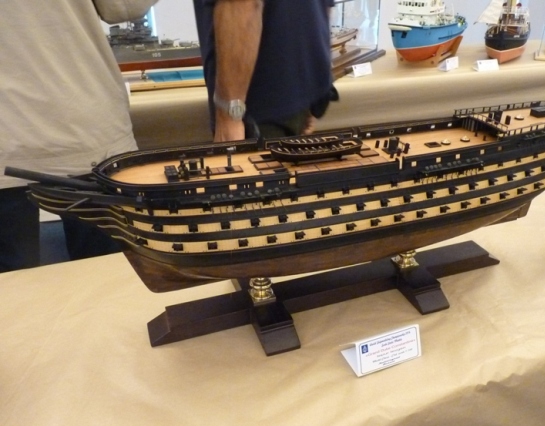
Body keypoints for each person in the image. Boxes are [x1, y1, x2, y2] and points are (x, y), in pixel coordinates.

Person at [0, 0, 159, 272]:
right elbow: (124, 6)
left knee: (10, 291)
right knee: (107, 280)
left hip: (14, 135)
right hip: (83, 124)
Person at [193, 0, 337, 143]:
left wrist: (230, 115)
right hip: (302, 95)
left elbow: (244, 5)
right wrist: (311, 92)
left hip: (256, 114)